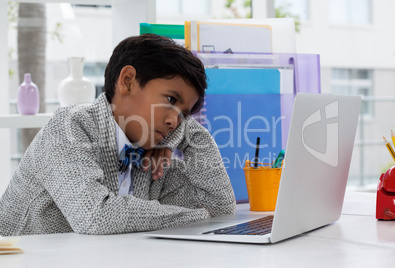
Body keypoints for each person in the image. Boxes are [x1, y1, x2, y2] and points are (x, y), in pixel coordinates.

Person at [0, 34, 236, 236]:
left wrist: (186, 134)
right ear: (128, 81)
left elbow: (220, 207)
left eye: (184, 114)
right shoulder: (70, 127)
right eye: (171, 100)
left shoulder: (154, 160)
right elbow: (95, 216)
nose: (174, 121)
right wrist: (196, 217)